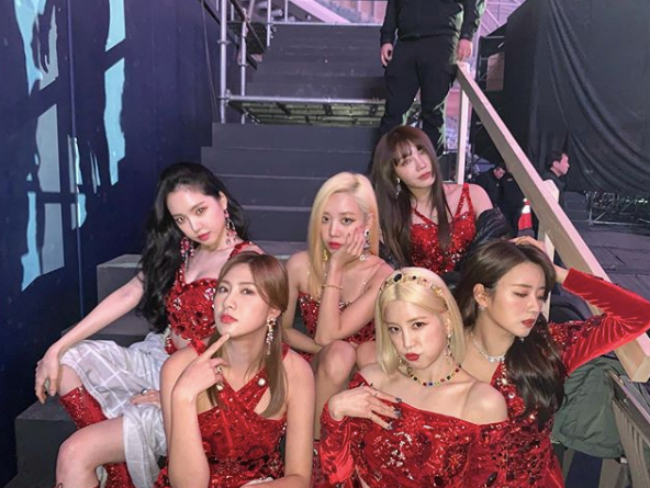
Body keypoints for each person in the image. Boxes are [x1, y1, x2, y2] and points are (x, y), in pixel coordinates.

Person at [34, 162, 258, 488]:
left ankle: (109, 460)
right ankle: (117, 472)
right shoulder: (184, 249)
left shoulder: (248, 261)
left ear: (221, 200)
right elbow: (129, 292)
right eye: (181, 219)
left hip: (205, 382)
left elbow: (246, 349)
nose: (194, 226)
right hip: (159, 357)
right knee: (67, 361)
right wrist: (56, 348)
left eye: (200, 210)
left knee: (75, 452)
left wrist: (174, 392)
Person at [454, 238, 650, 488]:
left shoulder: (550, 348)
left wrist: (557, 273)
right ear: (482, 295)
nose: (534, 307)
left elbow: (638, 314)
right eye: (521, 293)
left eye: (540, 295)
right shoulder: (441, 343)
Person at [319, 268, 508, 487]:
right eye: (394, 329)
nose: (407, 342)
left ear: (447, 321)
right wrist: (334, 414)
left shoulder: (481, 402)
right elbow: (336, 477)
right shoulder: (372, 381)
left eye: (417, 325)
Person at [155, 252, 313, 488]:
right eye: (223, 289)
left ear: (273, 310)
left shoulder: (295, 371)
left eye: (246, 291)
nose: (228, 301)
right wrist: (183, 397)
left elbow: (300, 479)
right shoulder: (178, 367)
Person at [282, 172, 393, 443]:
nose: (333, 232)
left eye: (346, 220)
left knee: (360, 354)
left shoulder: (381, 274)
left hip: (365, 370)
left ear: (368, 223)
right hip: (317, 366)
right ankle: (316, 445)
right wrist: (335, 268)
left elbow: (330, 333)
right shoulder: (299, 265)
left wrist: (335, 269)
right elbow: (285, 331)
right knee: (340, 354)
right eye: (325, 219)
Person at [371, 126, 493, 274]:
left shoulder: (474, 195)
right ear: (394, 174)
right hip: (420, 288)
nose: (421, 165)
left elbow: (496, 256)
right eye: (407, 161)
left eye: (422, 152)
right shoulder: (393, 218)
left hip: (479, 287)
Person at [378, 0, 485, 154]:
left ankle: (432, 163)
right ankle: (384, 164)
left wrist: (467, 35)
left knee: (433, 111)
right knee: (394, 110)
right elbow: (393, 3)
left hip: (441, 38)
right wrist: (387, 38)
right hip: (406, 40)